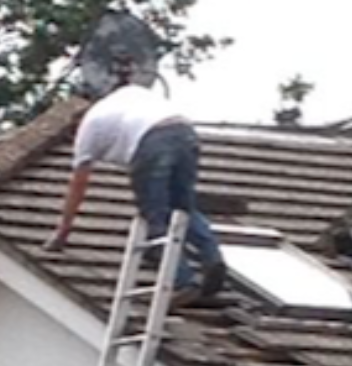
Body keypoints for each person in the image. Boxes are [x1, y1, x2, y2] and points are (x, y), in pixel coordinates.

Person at [44, 67, 226, 309]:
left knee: (155, 216)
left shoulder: (88, 127)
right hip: (185, 132)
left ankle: (184, 282)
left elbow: (78, 185)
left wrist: (62, 233)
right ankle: (212, 257)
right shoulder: (130, 95)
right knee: (183, 208)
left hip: (151, 140)